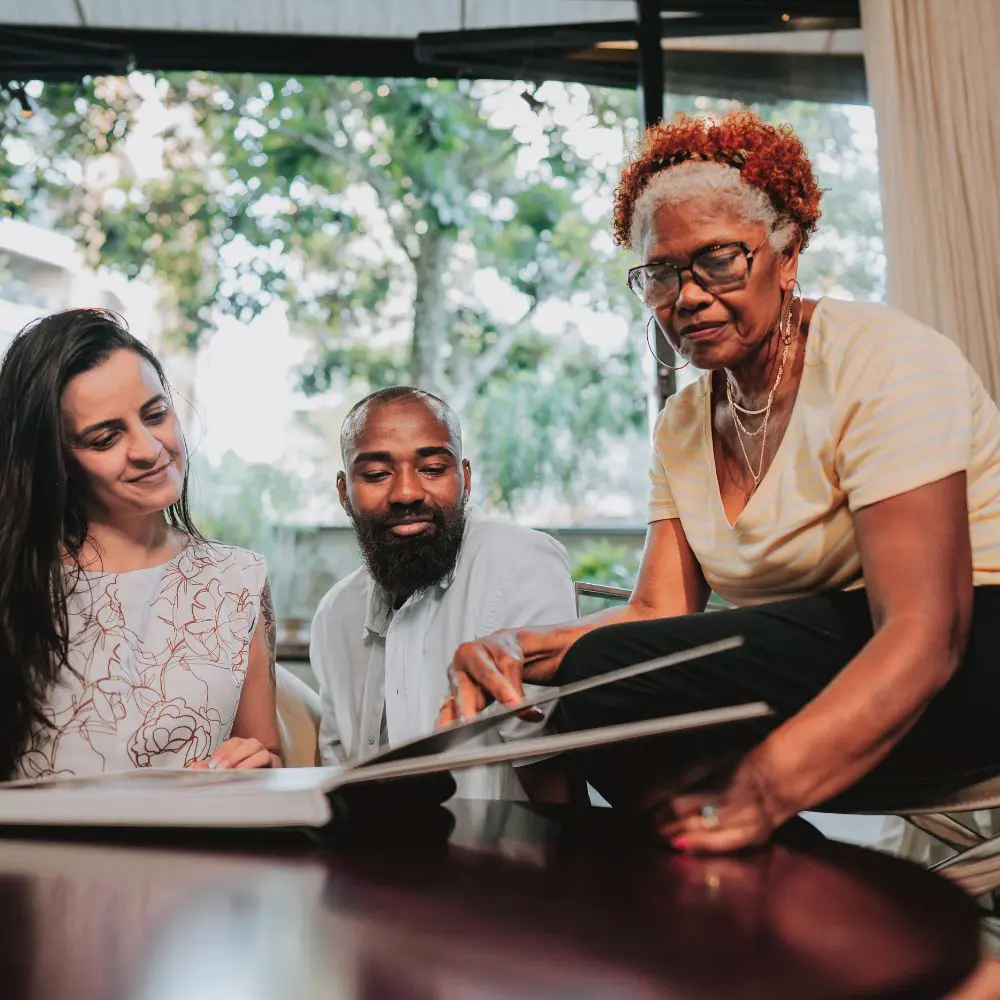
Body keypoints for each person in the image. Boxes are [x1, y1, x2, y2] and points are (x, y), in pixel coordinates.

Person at [442, 109, 1000, 852]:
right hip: (823, 668)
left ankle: (837, 906)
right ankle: (819, 898)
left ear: (786, 253)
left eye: (718, 261)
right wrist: (519, 649)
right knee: (581, 703)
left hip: (967, 662)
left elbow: (927, 633)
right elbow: (656, 613)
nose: (689, 296)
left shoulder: (884, 360)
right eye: (662, 274)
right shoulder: (681, 425)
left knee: (608, 678)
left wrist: (764, 786)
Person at [0, 308, 281, 780]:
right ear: (54, 461)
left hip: (192, 849)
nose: (149, 449)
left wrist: (261, 763)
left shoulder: (239, 580)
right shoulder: (16, 579)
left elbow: (265, 752)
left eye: (156, 414)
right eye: (105, 438)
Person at [309, 386, 576, 799]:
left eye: (432, 468)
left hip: (497, 858)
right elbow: (338, 775)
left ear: (465, 478)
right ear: (344, 493)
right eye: (377, 474)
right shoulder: (334, 614)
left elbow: (552, 781)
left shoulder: (521, 565)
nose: (406, 494)